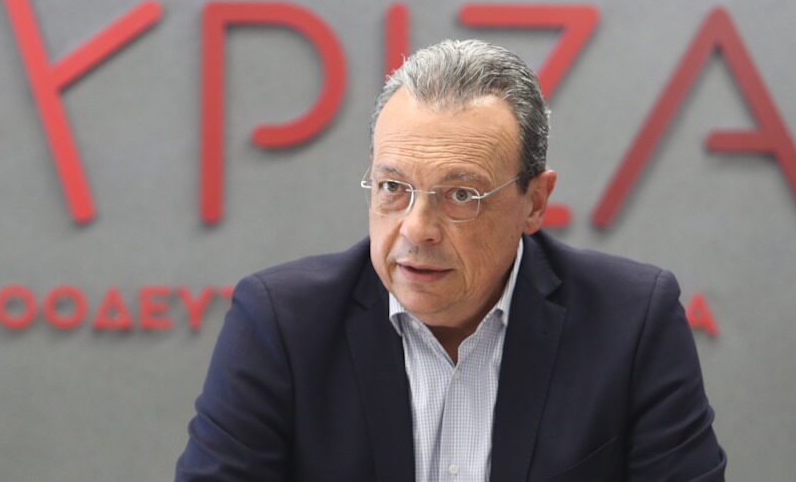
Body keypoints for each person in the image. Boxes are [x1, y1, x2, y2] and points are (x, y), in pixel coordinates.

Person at [176, 39, 726, 481]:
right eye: (394, 187)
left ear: (535, 202)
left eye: (462, 195)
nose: (417, 229)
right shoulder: (282, 323)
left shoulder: (631, 323)